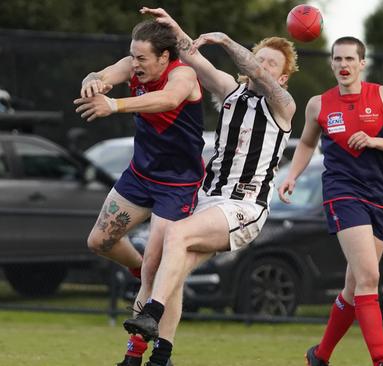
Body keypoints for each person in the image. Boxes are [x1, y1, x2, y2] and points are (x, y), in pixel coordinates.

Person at [122, 7, 299, 366]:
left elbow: (254, 72)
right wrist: (172, 27)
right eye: (259, 58)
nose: (261, 67)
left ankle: (150, 316)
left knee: (176, 237)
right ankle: (153, 356)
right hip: (208, 199)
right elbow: (191, 55)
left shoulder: (282, 106)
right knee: (162, 269)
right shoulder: (231, 93)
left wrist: (228, 41)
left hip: (243, 207)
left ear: (282, 80)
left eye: (270, 66)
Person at [73, 18, 205, 366]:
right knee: (99, 241)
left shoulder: (183, 75)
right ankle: (146, 271)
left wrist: (114, 105)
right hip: (140, 175)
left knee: (156, 269)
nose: (135, 64)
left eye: (142, 58)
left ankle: (149, 356)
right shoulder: (133, 67)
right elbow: (101, 75)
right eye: (133, 56)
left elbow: (168, 99)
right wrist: (93, 83)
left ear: (164, 57)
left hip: (177, 185)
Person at [277, 37, 383, 366]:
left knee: (355, 287)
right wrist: (292, 175)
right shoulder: (318, 104)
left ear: (362, 63)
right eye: (337, 59)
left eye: (350, 59)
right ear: (331, 63)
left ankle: (320, 355)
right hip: (342, 192)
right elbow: (307, 144)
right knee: (369, 277)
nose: (343, 65)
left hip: (378, 196)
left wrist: (374, 141)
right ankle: (381, 361)